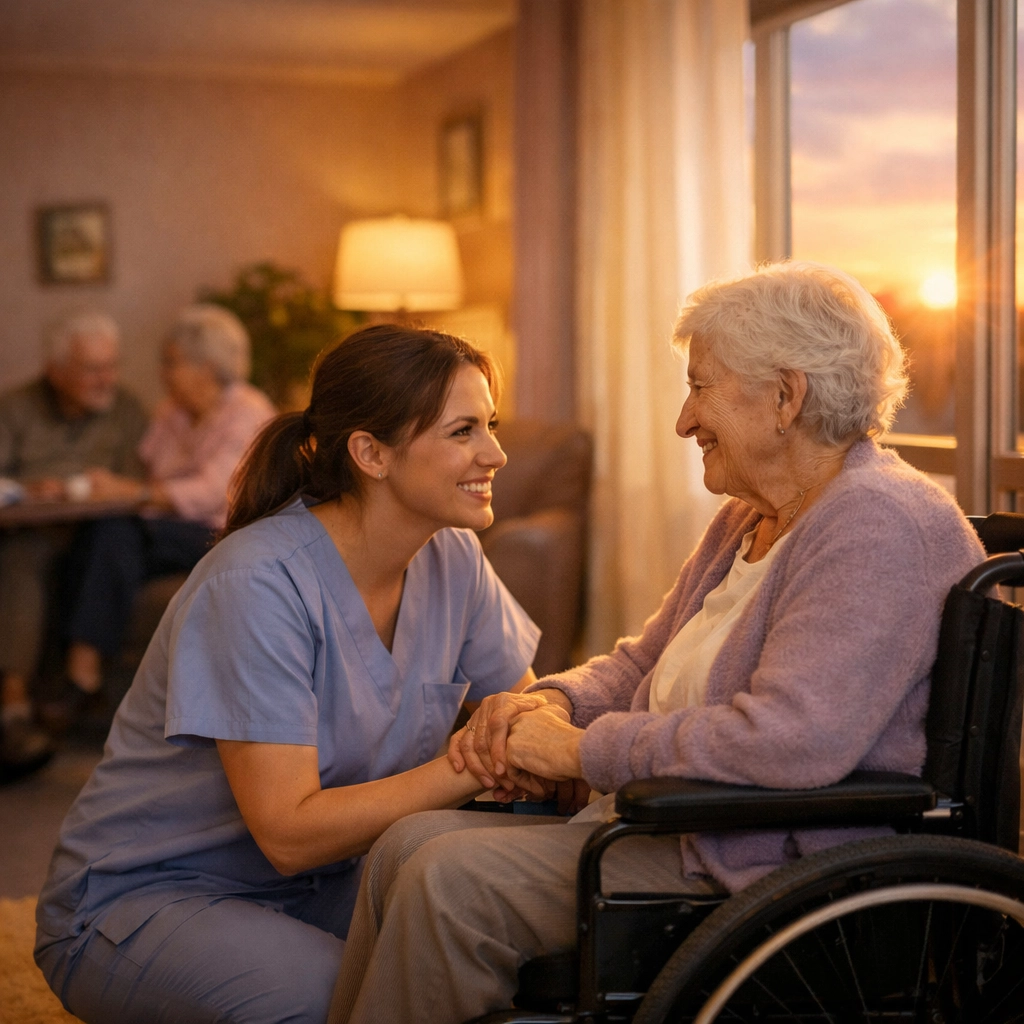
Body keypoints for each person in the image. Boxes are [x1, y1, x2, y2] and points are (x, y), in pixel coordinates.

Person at [328, 262, 986, 1024]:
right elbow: (644, 660)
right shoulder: (751, 515)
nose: (682, 419)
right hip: (683, 825)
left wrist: (579, 752)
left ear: (786, 397)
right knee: (403, 845)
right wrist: (545, 704)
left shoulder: (877, 525)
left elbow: (790, 741)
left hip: (766, 860)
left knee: (444, 879)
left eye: (700, 386)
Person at [35, 325, 544, 1024]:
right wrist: (482, 761)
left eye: (490, 425)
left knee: (478, 960)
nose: (496, 452)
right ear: (370, 452)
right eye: (463, 432)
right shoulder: (256, 581)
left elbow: (523, 706)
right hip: (149, 898)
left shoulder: (453, 557)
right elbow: (290, 832)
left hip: (327, 883)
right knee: (354, 999)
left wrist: (548, 735)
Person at [41, 304, 276, 730]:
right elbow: (148, 469)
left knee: (113, 531)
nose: (163, 372)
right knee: (97, 535)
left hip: (222, 532)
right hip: (165, 529)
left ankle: (84, 679)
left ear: (204, 366)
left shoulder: (248, 412)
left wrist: (136, 493)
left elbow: (214, 492)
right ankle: (81, 681)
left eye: (172, 362)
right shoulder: (172, 412)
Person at [0, 311, 147, 775]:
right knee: (24, 560)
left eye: (111, 366)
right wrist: (29, 487)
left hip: (100, 535)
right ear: (56, 371)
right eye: (91, 369)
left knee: (107, 549)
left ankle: (70, 691)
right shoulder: (15, 408)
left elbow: (144, 482)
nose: (105, 379)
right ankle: (15, 707)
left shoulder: (128, 409)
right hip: (33, 531)